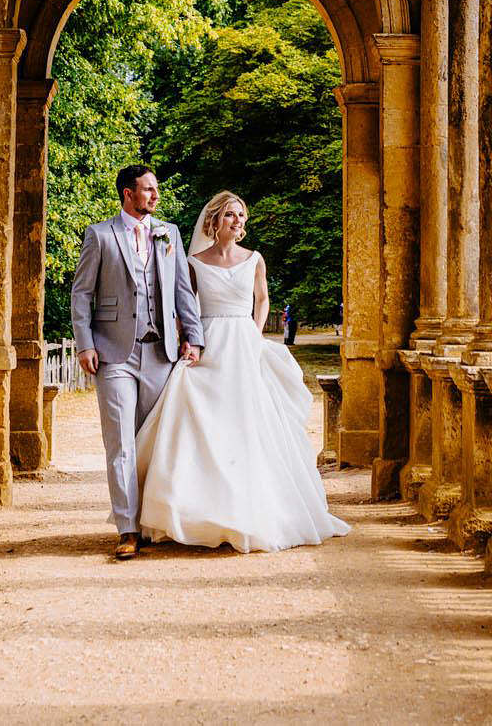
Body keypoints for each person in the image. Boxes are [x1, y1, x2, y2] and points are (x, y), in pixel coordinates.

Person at [133, 190, 350, 553]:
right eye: (231, 215)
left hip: (243, 341)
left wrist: (254, 330)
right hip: (208, 341)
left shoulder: (255, 259)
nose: (238, 222)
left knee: (249, 423)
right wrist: (189, 341)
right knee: (197, 421)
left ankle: (251, 512)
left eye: (241, 217)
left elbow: (262, 298)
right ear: (214, 221)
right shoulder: (194, 262)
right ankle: (191, 511)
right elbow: (185, 306)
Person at [70, 164, 201, 560]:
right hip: (113, 354)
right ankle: (127, 529)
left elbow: (182, 290)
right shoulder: (99, 235)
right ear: (128, 194)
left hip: (160, 351)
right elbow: (81, 294)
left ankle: (154, 522)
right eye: (147, 190)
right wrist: (84, 344)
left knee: (155, 442)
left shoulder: (169, 233)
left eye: (155, 189)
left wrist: (193, 336)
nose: (154, 196)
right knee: (121, 444)